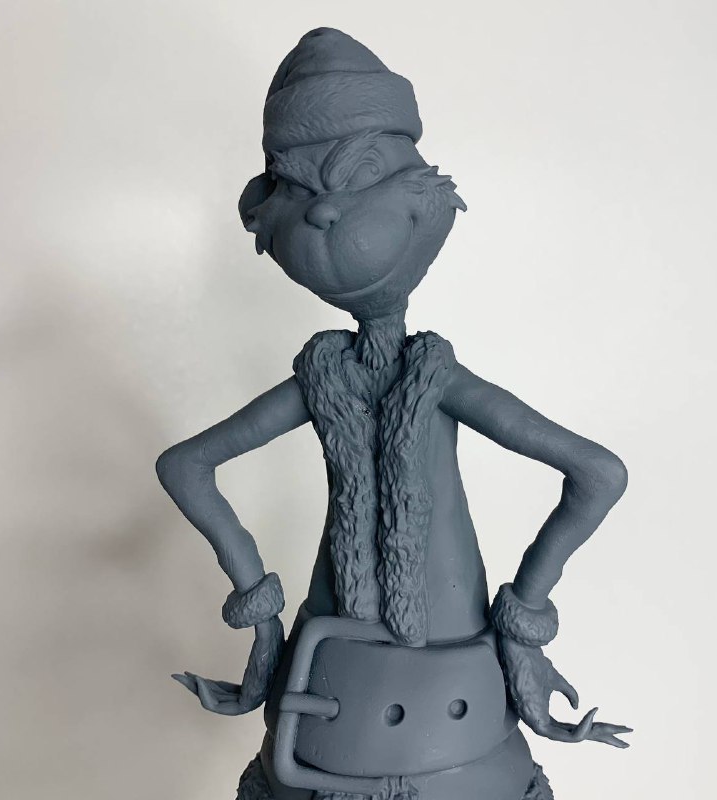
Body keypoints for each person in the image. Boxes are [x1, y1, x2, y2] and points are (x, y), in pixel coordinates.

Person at [156, 28, 631, 800]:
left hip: (441, 732)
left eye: (360, 173)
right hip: (340, 729)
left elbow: (599, 472)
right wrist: (262, 614)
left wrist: (523, 624)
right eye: (298, 189)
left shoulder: (425, 380)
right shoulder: (327, 380)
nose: (325, 213)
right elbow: (184, 465)